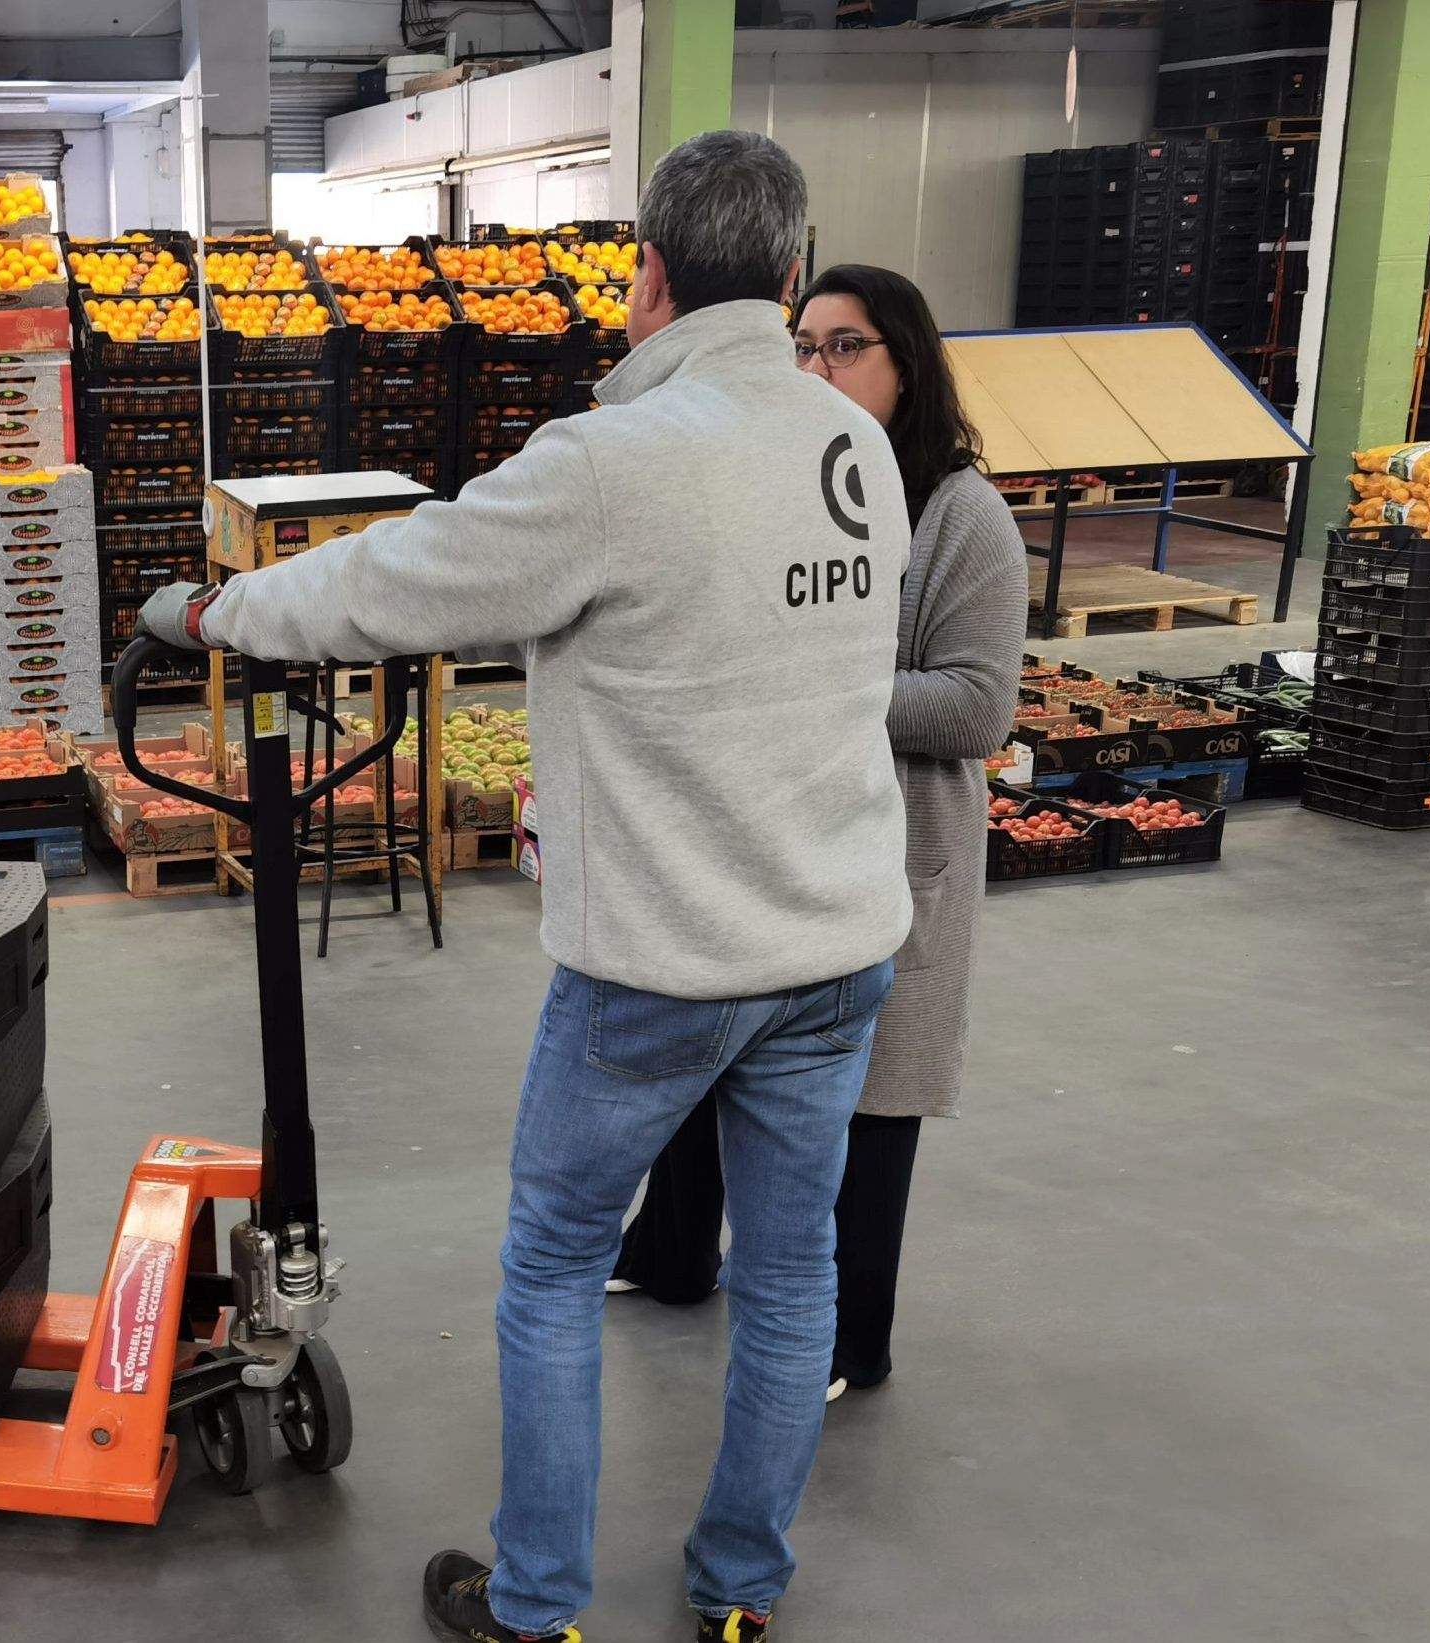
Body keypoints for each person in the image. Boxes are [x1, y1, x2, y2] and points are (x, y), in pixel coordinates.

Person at [137, 131, 910, 1643]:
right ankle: (742, 1590)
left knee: (553, 1260)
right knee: (792, 1272)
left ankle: (542, 1598)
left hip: (664, 962)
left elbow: (390, 580)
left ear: (650, 283)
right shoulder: (853, 447)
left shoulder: (616, 463)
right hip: (835, 947)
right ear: (795, 276)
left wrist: (220, 609)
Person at [607, 266, 1027, 1406]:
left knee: (872, 1099)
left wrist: (820, 678)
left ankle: (852, 1338)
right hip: (770, 821)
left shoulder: (960, 514)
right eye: (804, 346)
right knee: (711, 1046)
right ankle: (671, 1255)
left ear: (907, 363)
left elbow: (977, 708)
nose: (817, 369)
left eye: (846, 348)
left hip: (897, 847)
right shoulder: (792, 479)